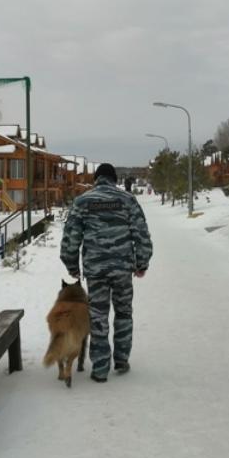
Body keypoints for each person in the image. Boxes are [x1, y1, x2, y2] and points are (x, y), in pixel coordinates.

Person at [60, 163, 153, 383]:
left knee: (98, 316)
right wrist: (141, 263)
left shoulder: (83, 201)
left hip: (96, 271)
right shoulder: (128, 200)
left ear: (96, 179)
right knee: (124, 313)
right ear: (114, 179)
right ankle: (121, 360)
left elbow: (71, 237)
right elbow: (141, 234)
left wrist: (72, 265)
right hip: (122, 270)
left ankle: (100, 369)